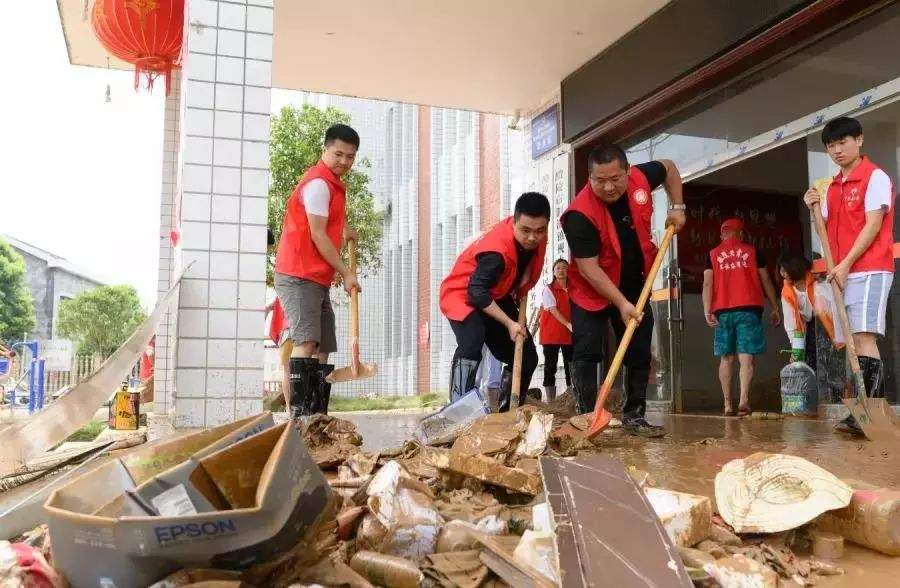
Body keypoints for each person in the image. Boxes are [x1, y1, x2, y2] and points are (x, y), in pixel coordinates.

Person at [561, 144, 686, 437]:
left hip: (634, 283)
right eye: (599, 180)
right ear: (589, 178)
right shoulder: (580, 214)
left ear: (628, 172)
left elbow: (668, 166)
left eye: (615, 178)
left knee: (639, 346)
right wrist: (619, 302)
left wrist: (677, 206)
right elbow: (590, 269)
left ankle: (634, 415)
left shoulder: (641, 178)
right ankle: (586, 417)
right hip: (592, 290)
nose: (608, 187)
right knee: (588, 347)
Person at [803, 116, 895, 436]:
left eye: (843, 142)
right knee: (851, 342)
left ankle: (871, 411)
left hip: (869, 268)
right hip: (842, 271)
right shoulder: (831, 187)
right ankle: (858, 411)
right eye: (831, 145)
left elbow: (873, 225)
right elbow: (823, 232)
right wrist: (812, 207)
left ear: (859, 141)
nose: (837, 150)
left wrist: (844, 264)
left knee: (863, 338)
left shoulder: (875, 177)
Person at [273, 124, 361, 418]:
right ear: (325, 150)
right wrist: (346, 272)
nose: (344, 162)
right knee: (306, 341)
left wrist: (345, 230)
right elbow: (318, 234)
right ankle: (299, 420)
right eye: (338, 154)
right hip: (298, 274)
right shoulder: (318, 184)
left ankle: (317, 417)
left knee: (323, 344)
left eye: (350, 156)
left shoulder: (333, 184)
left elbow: (330, 224)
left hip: (316, 277)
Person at [440, 192, 550, 412]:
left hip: (496, 295)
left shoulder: (536, 234)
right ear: (514, 222)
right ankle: (457, 411)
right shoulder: (496, 252)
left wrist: (523, 283)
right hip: (463, 294)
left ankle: (508, 412)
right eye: (525, 231)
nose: (532, 238)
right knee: (473, 338)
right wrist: (510, 323)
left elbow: (526, 264)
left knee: (526, 355)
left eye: (539, 231)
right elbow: (476, 292)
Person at [702, 218, 780, 417]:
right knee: (746, 356)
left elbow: (707, 285)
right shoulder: (753, 252)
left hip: (722, 310)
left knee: (726, 357)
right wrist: (774, 305)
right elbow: (766, 280)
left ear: (722, 235)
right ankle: (744, 400)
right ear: (742, 234)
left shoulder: (712, 254)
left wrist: (706, 309)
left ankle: (727, 404)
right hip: (749, 309)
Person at [538, 259, 573, 401]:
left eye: (564, 268)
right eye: (558, 268)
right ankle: (551, 401)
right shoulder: (548, 289)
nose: (561, 270)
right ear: (553, 272)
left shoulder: (574, 288)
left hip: (568, 333)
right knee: (550, 366)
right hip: (551, 333)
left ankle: (572, 397)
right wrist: (568, 324)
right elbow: (553, 310)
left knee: (570, 365)